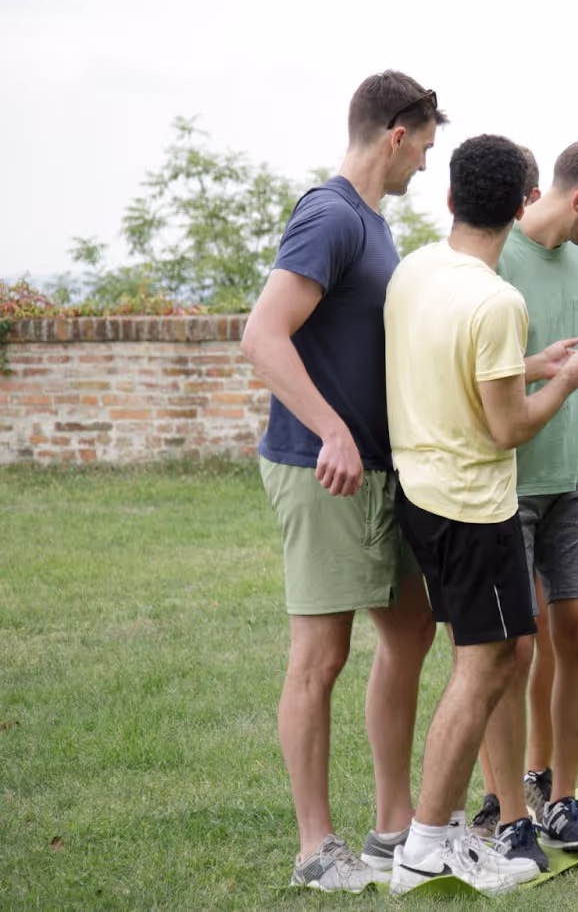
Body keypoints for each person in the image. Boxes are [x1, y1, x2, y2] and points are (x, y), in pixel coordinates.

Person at [384, 133, 578, 895]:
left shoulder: (415, 270)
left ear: (451, 197)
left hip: (423, 489)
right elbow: (509, 427)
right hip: (477, 500)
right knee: (486, 665)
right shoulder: (496, 296)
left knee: (484, 661)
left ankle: (439, 831)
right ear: (525, 202)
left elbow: (465, 369)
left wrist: (541, 365)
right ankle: (432, 839)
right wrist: (572, 375)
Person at [241, 71, 444, 891]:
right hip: (323, 469)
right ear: (396, 133)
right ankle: (315, 846)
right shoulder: (330, 215)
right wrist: (331, 428)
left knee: (411, 629)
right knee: (320, 656)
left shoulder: (373, 224)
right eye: (425, 147)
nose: (426, 165)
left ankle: (394, 824)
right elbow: (262, 334)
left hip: (376, 475)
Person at [470, 137, 578, 856]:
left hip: (574, 478)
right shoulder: (492, 259)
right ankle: (508, 806)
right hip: (506, 481)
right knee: (511, 649)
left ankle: (561, 797)